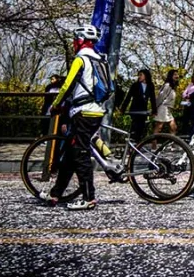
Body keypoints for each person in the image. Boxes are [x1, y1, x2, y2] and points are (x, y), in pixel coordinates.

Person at [39, 26, 108, 210]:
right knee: (70, 156)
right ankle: (55, 194)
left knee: (80, 154)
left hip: (83, 113)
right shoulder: (99, 58)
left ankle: (89, 198)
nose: (73, 43)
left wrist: (56, 105)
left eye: (75, 40)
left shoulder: (81, 59)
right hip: (95, 111)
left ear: (80, 40)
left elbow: (67, 85)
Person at [120, 69, 157, 142]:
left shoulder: (150, 85)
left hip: (143, 110)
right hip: (135, 109)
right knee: (134, 127)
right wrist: (123, 108)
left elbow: (153, 98)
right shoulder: (135, 85)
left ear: (146, 76)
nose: (139, 77)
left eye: (141, 75)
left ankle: (138, 144)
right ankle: (131, 143)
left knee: (141, 128)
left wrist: (154, 110)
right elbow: (128, 96)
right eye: (139, 75)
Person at [154, 69, 179, 135]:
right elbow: (160, 97)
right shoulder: (167, 85)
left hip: (168, 109)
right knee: (159, 127)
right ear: (170, 76)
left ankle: (172, 144)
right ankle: (153, 144)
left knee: (173, 127)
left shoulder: (173, 86)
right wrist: (154, 108)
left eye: (177, 74)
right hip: (163, 108)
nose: (177, 76)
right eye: (175, 74)